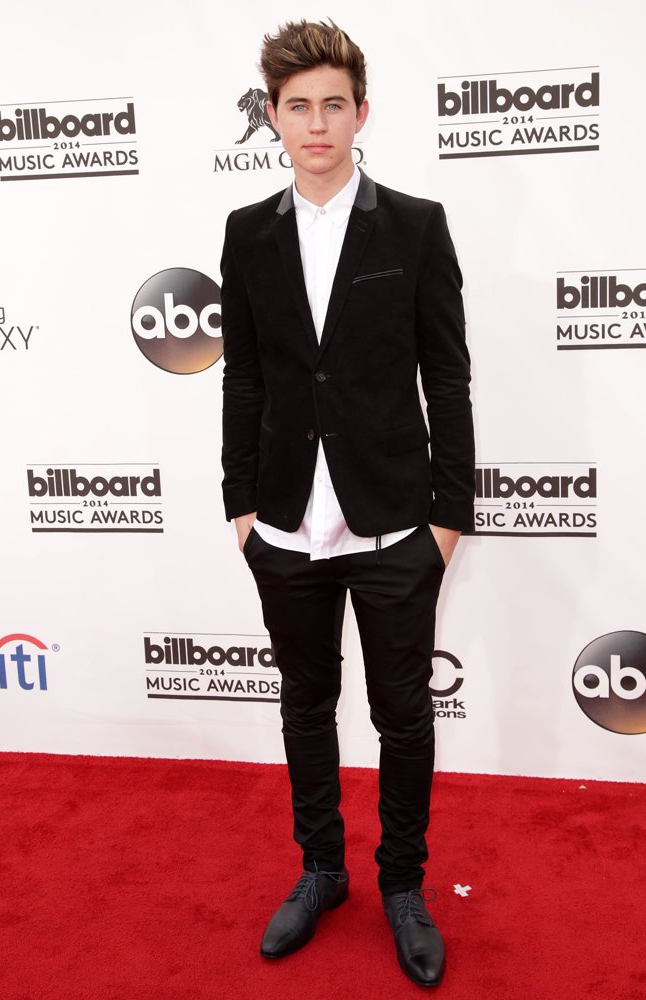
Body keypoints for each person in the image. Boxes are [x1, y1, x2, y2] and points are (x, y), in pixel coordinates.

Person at [220, 19, 474, 988]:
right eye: (297, 107)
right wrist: (240, 504)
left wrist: (447, 515)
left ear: (360, 112)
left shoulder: (414, 224)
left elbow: (446, 376)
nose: (316, 123)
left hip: (396, 521)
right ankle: (321, 869)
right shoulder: (247, 233)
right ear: (274, 118)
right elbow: (245, 374)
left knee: (403, 713)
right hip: (284, 523)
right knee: (304, 704)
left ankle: (401, 881)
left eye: (334, 104)